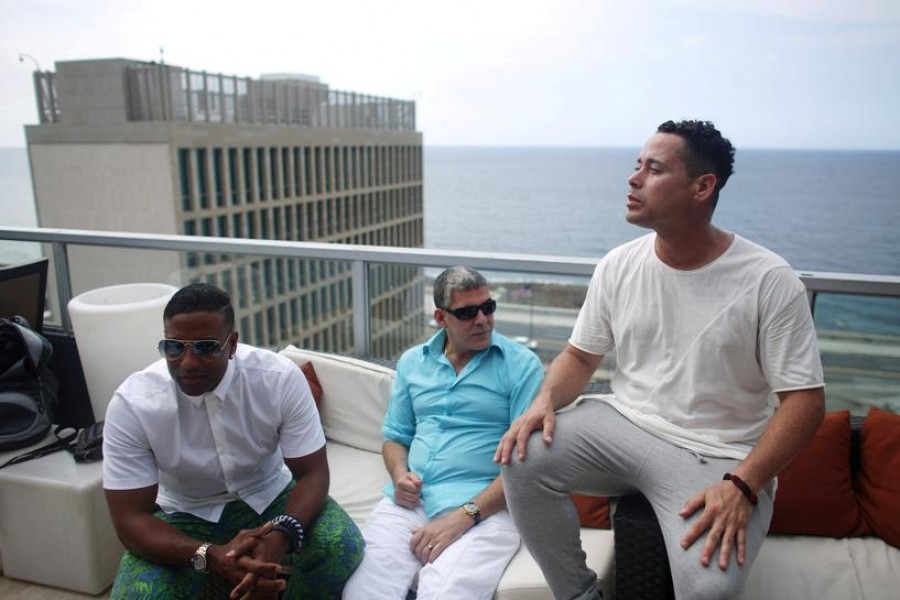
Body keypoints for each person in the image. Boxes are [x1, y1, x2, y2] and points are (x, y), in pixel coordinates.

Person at [495, 120, 826, 600]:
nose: (633, 179)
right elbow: (579, 356)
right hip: (623, 424)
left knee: (710, 590)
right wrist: (544, 399)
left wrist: (745, 484)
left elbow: (804, 402)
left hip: (717, 454)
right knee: (521, 457)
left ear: (702, 186)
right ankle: (580, 594)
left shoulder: (769, 280)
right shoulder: (618, 264)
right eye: (637, 166)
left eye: (653, 169)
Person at [102, 283, 364, 599]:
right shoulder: (133, 403)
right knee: (139, 596)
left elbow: (313, 473)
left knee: (342, 547)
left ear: (232, 344)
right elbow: (129, 520)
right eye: (174, 347)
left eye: (205, 347)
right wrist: (209, 556)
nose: (187, 362)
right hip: (185, 514)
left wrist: (281, 535)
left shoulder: (278, 378)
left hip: (272, 497)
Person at [342, 266, 545, 600]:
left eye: (488, 307)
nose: (482, 319)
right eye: (467, 312)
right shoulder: (412, 363)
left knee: (446, 593)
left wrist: (465, 516)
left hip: (486, 509)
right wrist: (399, 475)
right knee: (363, 591)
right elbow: (395, 436)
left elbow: (526, 463)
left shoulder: (521, 366)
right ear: (441, 317)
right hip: (410, 503)